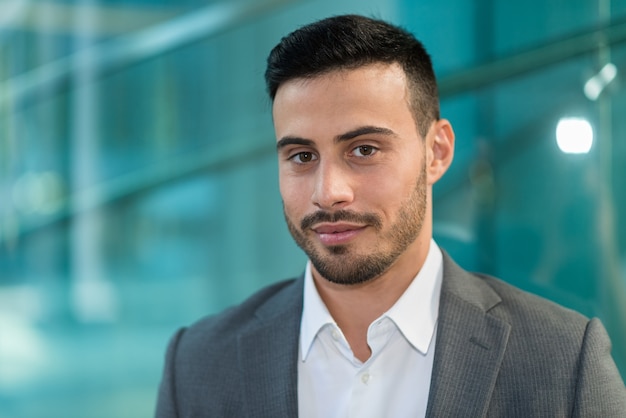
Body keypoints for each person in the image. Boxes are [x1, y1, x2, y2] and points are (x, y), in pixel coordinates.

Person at [155, 14, 626, 417]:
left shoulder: (562, 361)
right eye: (301, 156)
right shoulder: (197, 365)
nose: (329, 193)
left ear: (437, 152)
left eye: (363, 149)